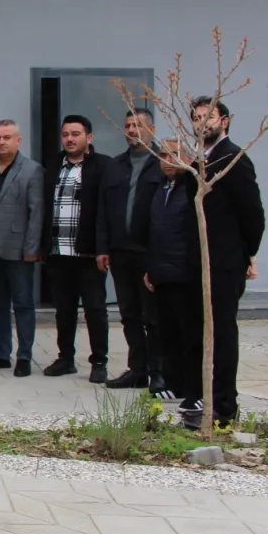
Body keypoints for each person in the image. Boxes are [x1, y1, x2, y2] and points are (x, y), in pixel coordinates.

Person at [185, 96, 264, 427]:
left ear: (225, 121)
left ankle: (225, 407)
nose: (202, 122)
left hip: (225, 262)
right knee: (202, 334)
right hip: (200, 261)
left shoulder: (233, 159)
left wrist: (246, 254)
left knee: (221, 334)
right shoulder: (199, 160)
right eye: (196, 117)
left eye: (209, 116)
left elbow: (253, 214)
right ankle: (206, 400)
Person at [40, 115, 112, 383]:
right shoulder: (53, 165)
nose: (69, 139)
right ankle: (66, 358)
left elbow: (107, 210)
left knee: (95, 309)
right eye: (66, 135)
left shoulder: (103, 166)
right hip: (59, 252)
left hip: (89, 253)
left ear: (88, 138)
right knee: (64, 309)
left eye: (75, 134)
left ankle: (99, 361)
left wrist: (104, 247)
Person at [98, 109, 165, 391]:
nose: (131, 130)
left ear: (152, 129)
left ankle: (158, 372)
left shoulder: (163, 163)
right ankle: (137, 370)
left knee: (154, 316)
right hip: (120, 252)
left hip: (150, 252)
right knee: (129, 315)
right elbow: (103, 210)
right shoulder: (115, 165)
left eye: (137, 125)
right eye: (127, 126)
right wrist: (103, 248)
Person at [0, 120, 44, 377]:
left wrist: (31, 248)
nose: (1, 142)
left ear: (18, 140)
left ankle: (24, 356)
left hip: (19, 250)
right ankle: (1, 354)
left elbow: (36, 213)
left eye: (7, 137)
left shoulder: (32, 170)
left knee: (23, 304)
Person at [143, 139, 197, 407]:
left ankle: (196, 389)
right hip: (161, 272)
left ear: (188, 158)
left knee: (189, 333)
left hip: (184, 274)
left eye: (174, 154)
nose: (167, 160)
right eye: (163, 155)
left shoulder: (192, 188)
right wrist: (151, 268)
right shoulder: (162, 187)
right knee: (168, 333)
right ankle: (175, 384)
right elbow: (155, 231)